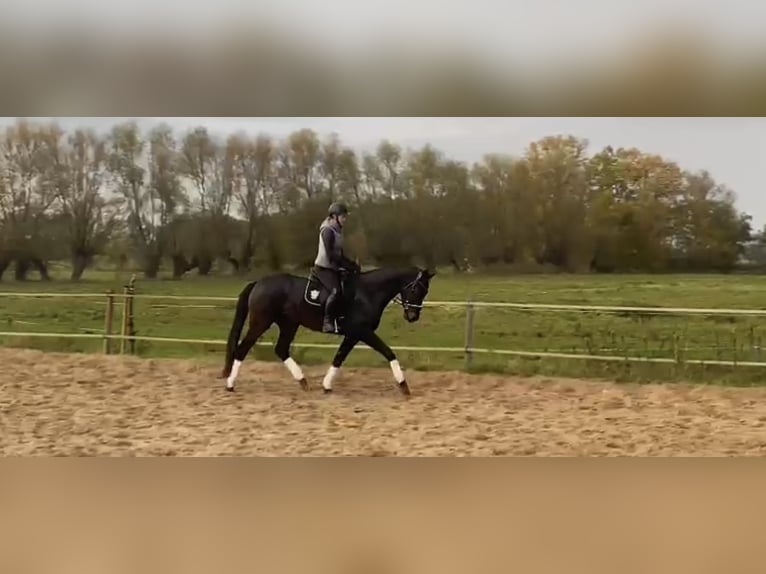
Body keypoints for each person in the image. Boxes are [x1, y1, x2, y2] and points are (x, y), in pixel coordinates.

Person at [313, 202, 360, 333]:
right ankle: (327, 322)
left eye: (345, 217)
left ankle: (343, 317)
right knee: (336, 291)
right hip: (323, 268)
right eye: (343, 217)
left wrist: (351, 265)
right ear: (334, 216)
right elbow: (331, 255)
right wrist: (344, 266)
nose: (345, 219)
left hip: (333, 266)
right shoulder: (327, 230)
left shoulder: (337, 230)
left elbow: (339, 253)